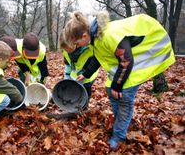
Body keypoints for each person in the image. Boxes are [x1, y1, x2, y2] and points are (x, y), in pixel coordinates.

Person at [63, 11, 175, 149]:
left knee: (125, 97)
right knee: (110, 90)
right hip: (124, 65)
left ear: (84, 35)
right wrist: (86, 74)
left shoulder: (108, 36)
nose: (78, 46)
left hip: (144, 53)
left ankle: (119, 136)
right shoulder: (95, 38)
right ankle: (121, 122)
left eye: (77, 43)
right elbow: (98, 57)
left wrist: (118, 84)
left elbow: (127, 60)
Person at [59, 29, 98, 108]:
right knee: (73, 88)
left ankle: (85, 105)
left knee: (86, 89)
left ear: (75, 43)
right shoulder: (65, 51)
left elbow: (93, 63)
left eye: (68, 48)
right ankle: (74, 105)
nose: (67, 51)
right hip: (76, 73)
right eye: (65, 49)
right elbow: (68, 63)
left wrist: (85, 74)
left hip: (89, 74)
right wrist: (67, 76)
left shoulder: (88, 48)